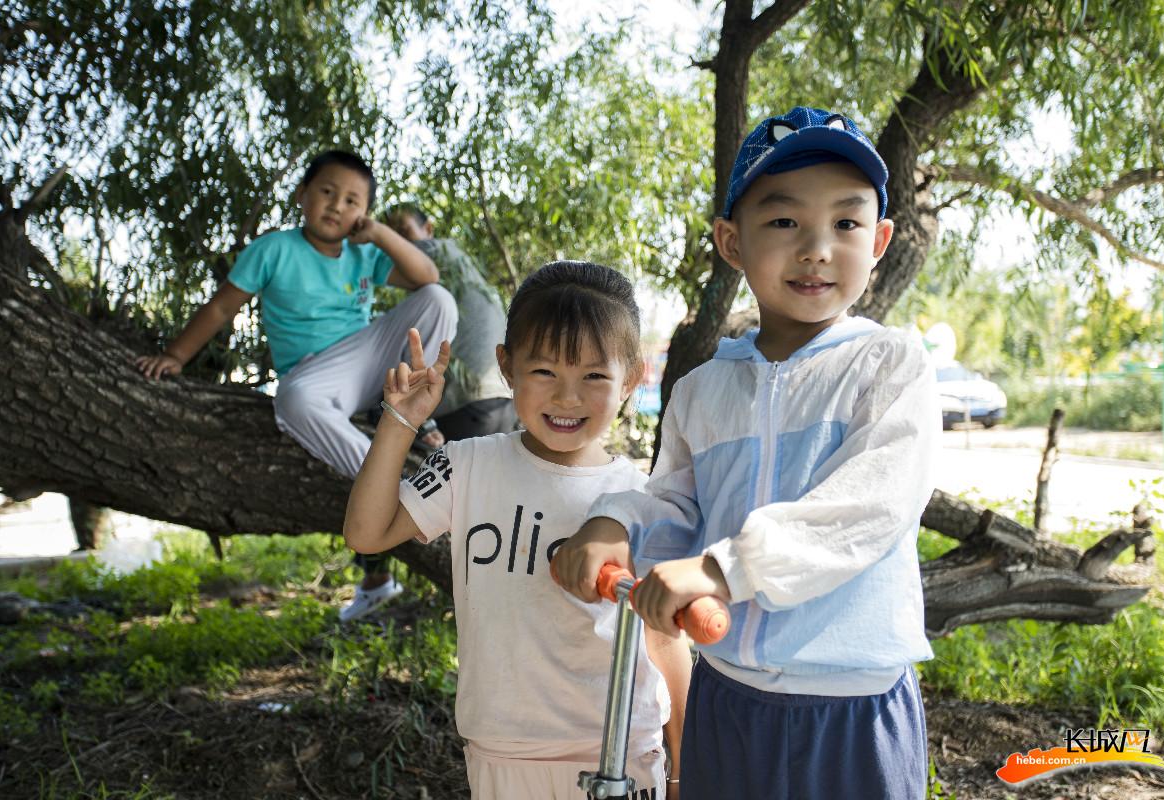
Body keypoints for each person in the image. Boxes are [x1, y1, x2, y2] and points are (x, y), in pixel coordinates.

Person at [551, 106, 939, 799]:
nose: (818, 247)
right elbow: (675, 501)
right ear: (731, 241)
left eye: (846, 223)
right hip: (726, 696)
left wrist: (720, 568)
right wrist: (615, 523)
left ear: (880, 239)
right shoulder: (703, 389)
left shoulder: (888, 364)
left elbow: (869, 508)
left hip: (848, 706)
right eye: (785, 222)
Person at [344, 262, 691, 799]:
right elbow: (367, 534)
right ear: (507, 366)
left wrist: (681, 764)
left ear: (633, 378)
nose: (567, 397)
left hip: (619, 753)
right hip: (502, 753)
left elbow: (664, 638)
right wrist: (399, 419)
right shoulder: (466, 466)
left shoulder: (640, 497)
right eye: (545, 371)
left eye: (594, 376)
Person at [136, 150, 458, 621]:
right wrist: (175, 355)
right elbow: (223, 308)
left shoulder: (362, 254)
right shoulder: (274, 249)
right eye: (326, 192)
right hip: (317, 376)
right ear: (301, 195)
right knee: (293, 399)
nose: (336, 206)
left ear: (362, 213)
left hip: (370, 365)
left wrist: (380, 234)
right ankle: (397, 486)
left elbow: (426, 276)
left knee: (437, 299)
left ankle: (406, 411)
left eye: (351, 200)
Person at [340, 205, 518, 622]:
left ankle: (376, 582)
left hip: (469, 400)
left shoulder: (436, 252)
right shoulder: (462, 270)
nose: (400, 239)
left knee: (389, 471)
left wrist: (376, 233)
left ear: (427, 229)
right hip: (495, 397)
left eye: (404, 230)